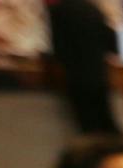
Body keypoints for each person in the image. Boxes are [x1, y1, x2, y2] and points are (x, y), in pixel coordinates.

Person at [47, 0, 118, 134]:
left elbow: (57, 47)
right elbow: (111, 42)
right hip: (99, 73)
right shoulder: (93, 9)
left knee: (87, 125)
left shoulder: (58, 11)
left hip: (75, 75)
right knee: (106, 120)